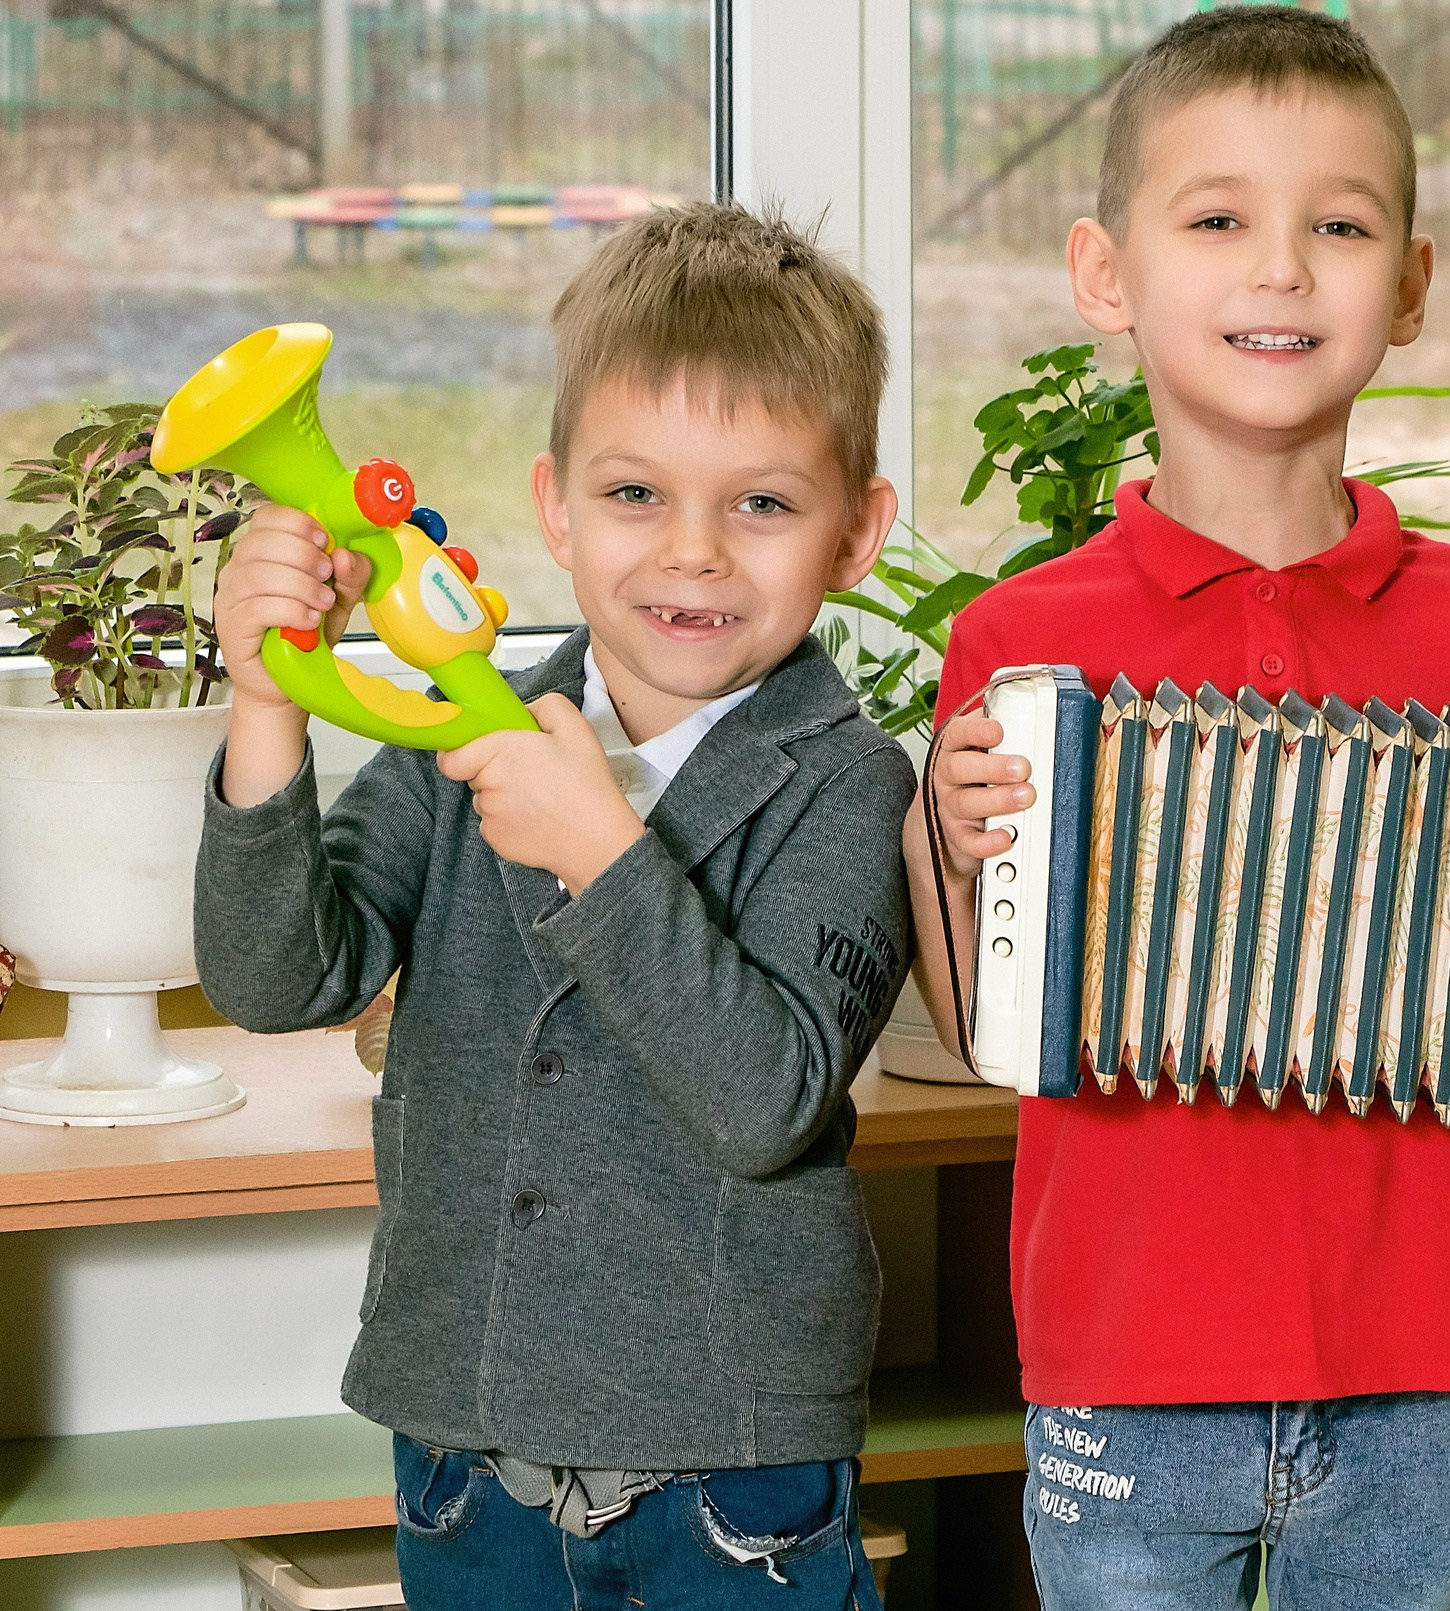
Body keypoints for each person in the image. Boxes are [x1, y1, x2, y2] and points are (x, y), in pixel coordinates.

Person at [905, 6, 1450, 1610]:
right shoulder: (1020, 638)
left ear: (1409, 284)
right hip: (1124, 1343)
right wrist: (945, 834)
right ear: (1108, 274)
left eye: (1338, 225)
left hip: (1424, 1343)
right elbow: (978, 1008)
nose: (1281, 269)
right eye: (1220, 219)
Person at [194, 202, 913, 1611]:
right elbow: (279, 982)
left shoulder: (853, 785)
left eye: (761, 503)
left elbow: (767, 1097)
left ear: (856, 533)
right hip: (466, 1441)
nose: (693, 554)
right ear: (554, 509)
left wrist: (607, 853)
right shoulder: (457, 729)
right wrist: (268, 707)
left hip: (729, 1467)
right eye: (636, 495)